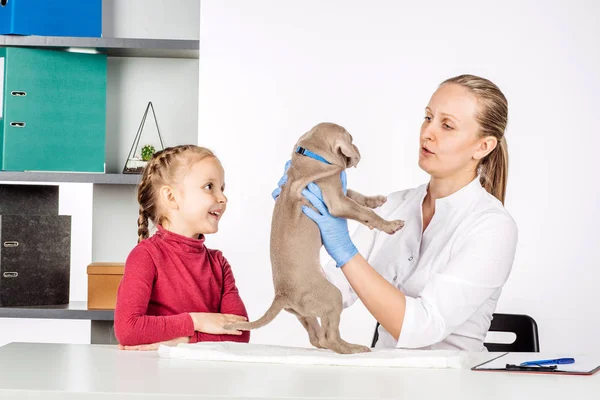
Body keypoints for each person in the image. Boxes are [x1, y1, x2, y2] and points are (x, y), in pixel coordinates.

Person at [277, 74, 518, 351]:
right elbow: (329, 293)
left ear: (483, 146)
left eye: (447, 125)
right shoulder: (393, 206)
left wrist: (344, 250)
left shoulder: (493, 228)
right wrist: (296, 218)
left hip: (452, 385)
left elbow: (421, 327)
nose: (428, 132)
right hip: (385, 382)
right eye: (428, 117)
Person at [114, 145, 249, 350]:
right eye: (209, 186)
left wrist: (181, 341)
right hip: (156, 378)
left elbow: (240, 336)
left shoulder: (219, 264)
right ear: (171, 197)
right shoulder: (145, 256)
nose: (223, 198)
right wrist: (197, 321)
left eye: (222, 188)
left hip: (209, 380)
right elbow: (128, 330)